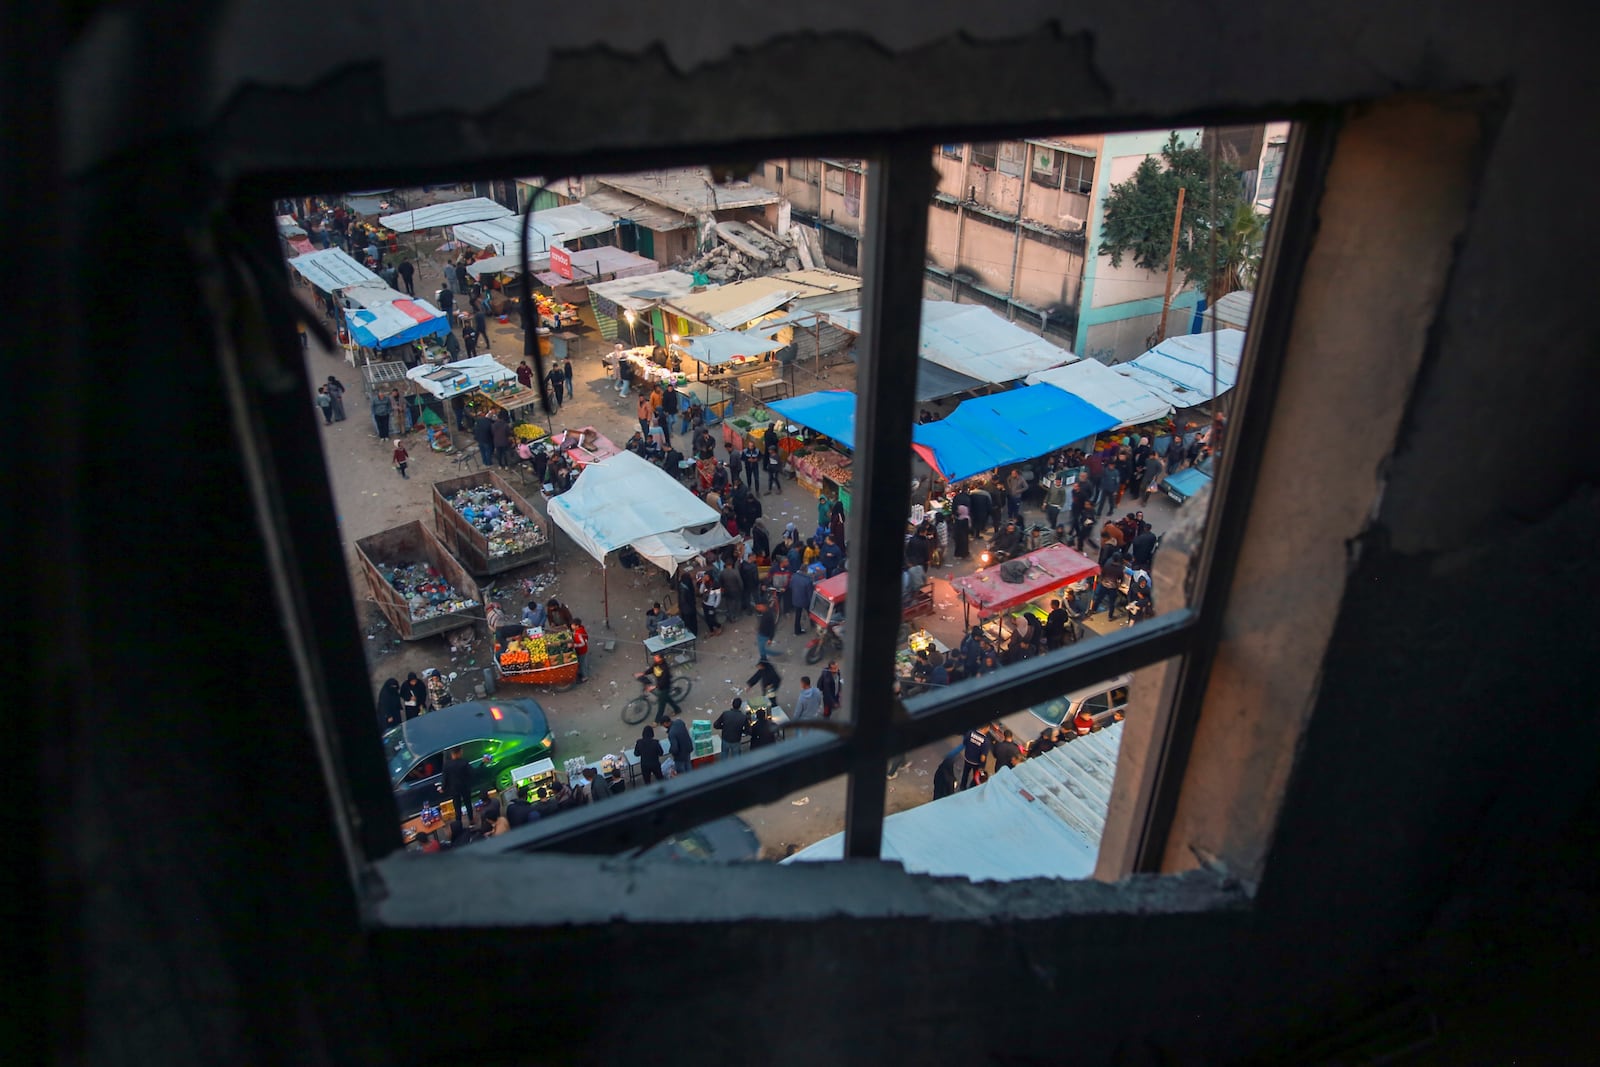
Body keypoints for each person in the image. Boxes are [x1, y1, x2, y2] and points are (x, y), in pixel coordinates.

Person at [639, 653, 682, 725]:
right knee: (667, 699)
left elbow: (663, 681)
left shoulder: (665, 669)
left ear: (660, 659)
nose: (655, 659)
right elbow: (652, 669)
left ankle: (657, 720)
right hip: (660, 684)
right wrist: (644, 673)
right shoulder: (656, 663)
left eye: (656, 658)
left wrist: (655, 686)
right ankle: (677, 709)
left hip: (664, 687)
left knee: (661, 704)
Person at [439, 747, 475, 822]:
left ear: (452, 753)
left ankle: (459, 823)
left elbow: (445, 778)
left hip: (454, 789)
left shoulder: (447, 765)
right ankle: (471, 821)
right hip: (465, 788)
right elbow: (472, 773)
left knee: (457, 808)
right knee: (468, 804)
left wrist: (443, 788)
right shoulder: (464, 762)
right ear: (459, 752)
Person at [1088, 552, 1126, 620]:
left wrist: (1101, 581)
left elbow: (1102, 574)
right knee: (1111, 603)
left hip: (1103, 585)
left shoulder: (1107, 566)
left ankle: (1093, 610)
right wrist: (1118, 585)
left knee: (1099, 599)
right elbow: (1121, 579)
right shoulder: (1120, 569)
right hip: (1113, 587)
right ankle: (1110, 616)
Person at [960, 724, 992, 790]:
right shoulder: (986, 741)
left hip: (967, 759)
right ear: (986, 728)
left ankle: (962, 787)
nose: (989, 729)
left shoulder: (970, 733)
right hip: (976, 763)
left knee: (965, 774)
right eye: (989, 728)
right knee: (976, 777)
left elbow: (964, 743)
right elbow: (983, 757)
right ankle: (971, 788)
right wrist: (982, 767)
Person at [666, 708, 693, 775]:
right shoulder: (679, 722)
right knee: (688, 766)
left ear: (666, 723)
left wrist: (671, 751)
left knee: (681, 772)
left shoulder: (671, 733)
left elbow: (675, 748)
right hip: (688, 749)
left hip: (680, 756)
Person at [789, 566, 813, 636]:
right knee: (810, 613)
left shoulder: (794, 576)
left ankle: (797, 631)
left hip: (796, 599)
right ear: (806, 570)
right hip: (805, 601)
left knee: (798, 616)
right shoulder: (808, 580)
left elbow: (791, 586)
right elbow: (810, 594)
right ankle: (814, 624)